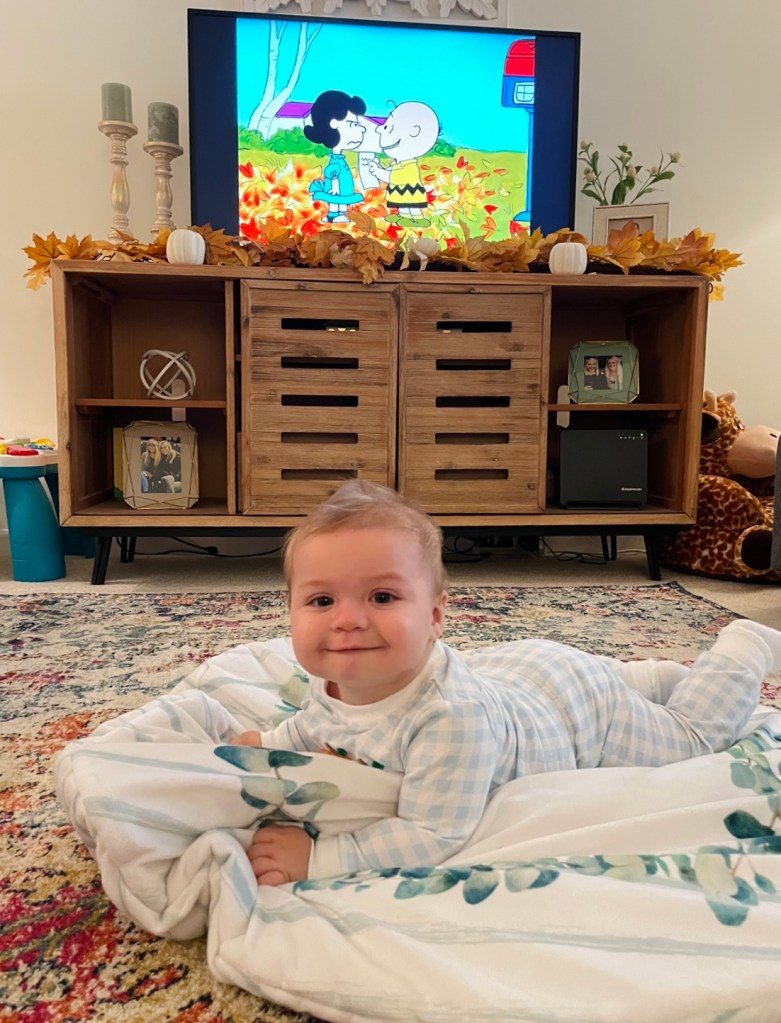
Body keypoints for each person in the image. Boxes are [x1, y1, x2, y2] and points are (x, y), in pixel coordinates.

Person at [232, 480, 778, 887]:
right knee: (571, 681)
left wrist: (324, 857)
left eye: (382, 597)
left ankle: (742, 650)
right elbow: (316, 724)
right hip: (523, 672)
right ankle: (649, 678)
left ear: (435, 616)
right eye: (321, 600)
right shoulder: (332, 675)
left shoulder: (450, 718)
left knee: (691, 739)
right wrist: (274, 741)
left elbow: (434, 833)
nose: (347, 620)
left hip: (581, 715)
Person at [305, 90, 368, 224]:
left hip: (342, 187)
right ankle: (334, 214)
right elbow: (331, 173)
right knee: (337, 199)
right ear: (334, 123)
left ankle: (336, 214)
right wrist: (334, 186)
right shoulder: (335, 161)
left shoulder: (339, 159)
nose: (361, 129)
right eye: (353, 124)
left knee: (341, 198)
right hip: (337, 188)